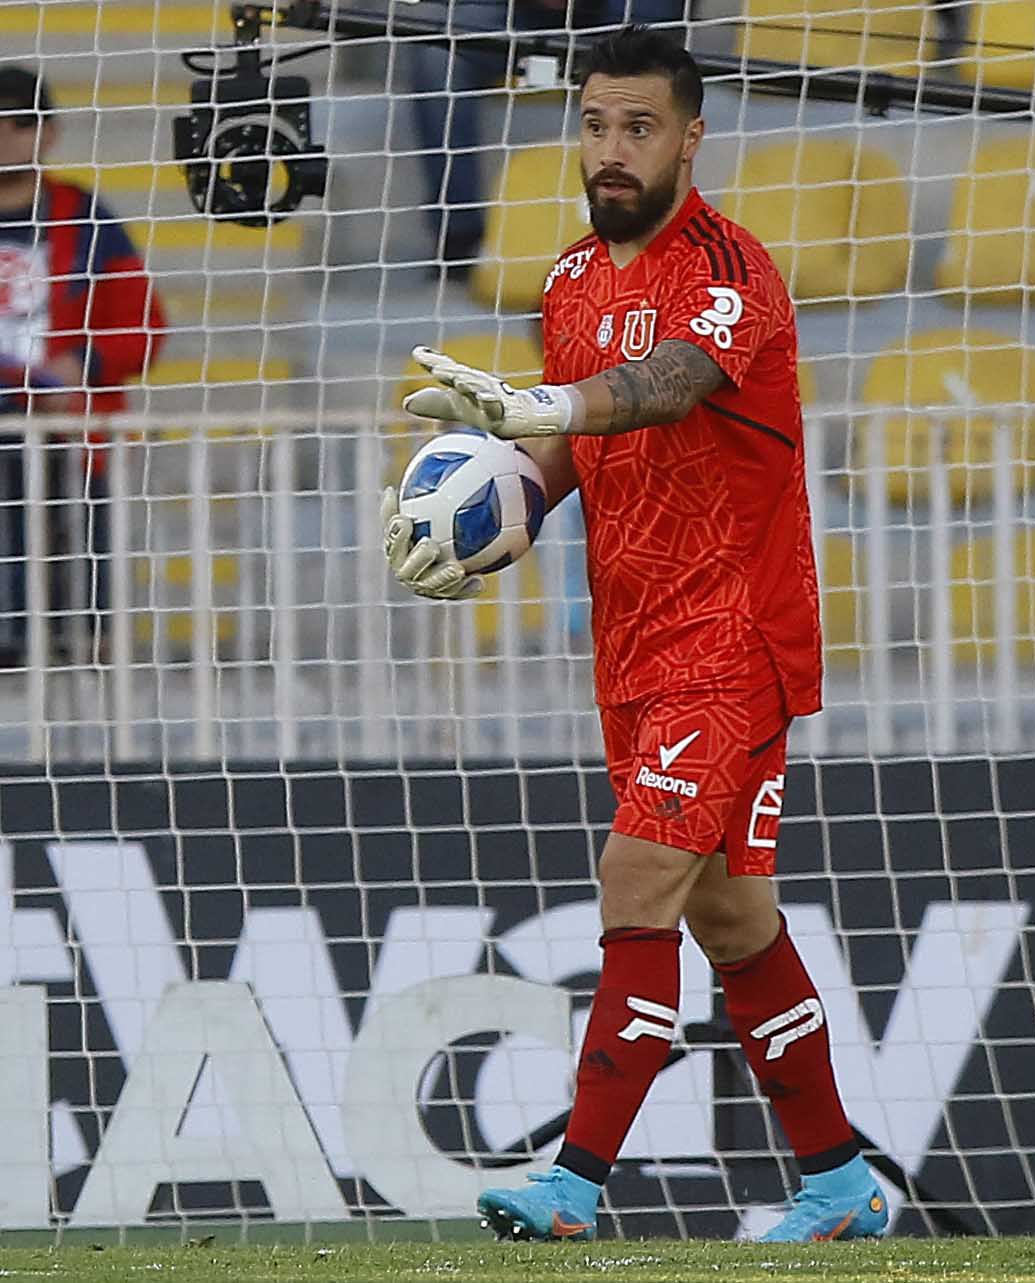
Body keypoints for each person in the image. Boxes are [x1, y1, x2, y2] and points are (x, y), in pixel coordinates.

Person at [383, 27, 885, 1244]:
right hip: (633, 637)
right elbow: (582, 439)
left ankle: (573, 1181)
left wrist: (540, 403)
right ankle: (836, 1184)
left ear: (690, 135)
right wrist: (493, 513)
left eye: (639, 128)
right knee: (729, 916)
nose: (611, 151)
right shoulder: (565, 280)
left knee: (635, 874)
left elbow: (665, 384)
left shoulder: (729, 269)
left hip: (734, 633)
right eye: (595, 126)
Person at [0, 65, 165, 668]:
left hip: (62, 422)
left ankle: (88, 655)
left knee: (79, 561)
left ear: (48, 134)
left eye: (21, 122)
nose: (4, 136)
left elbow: (145, 321)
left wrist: (81, 363)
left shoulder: (84, 213)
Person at [406, 0, 682, 279]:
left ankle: (647, 231)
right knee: (437, 50)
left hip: (617, 15)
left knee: (651, 44)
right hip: (516, 14)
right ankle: (460, 235)